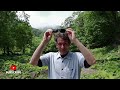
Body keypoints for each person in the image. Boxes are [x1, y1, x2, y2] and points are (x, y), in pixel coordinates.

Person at [29, 27, 96, 79]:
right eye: (60, 44)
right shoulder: (50, 57)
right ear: (56, 45)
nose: (62, 47)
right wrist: (44, 42)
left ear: (69, 44)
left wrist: (75, 40)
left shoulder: (77, 57)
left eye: (65, 44)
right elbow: (33, 62)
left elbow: (92, 61)